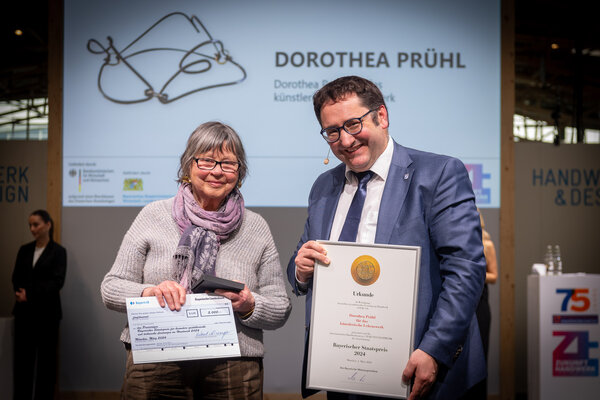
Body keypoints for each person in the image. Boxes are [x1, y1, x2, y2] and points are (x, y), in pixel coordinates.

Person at [287, 76, 486, 400]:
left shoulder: (437, 174)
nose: (345, 140)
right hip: (345, 374)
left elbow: (466, 270)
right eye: (332, 131)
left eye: (353, 124)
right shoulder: (324, 186)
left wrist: (434, 350)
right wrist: (300, 270)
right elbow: (298, 265)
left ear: (382, 116)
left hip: (424, 372)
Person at [101, 121, 291, 399]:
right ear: (188, 166)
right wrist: (150, 292)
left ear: (239, 173)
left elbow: (280, 308)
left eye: (228, 164)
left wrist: (249, 304)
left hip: (233, 362)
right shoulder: (153, 215)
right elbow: (111, 288)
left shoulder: (256, 226)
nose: (216, 171)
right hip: (157, 355)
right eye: (207, 161)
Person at [12, 209, 67, 400]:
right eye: (30, 225)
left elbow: (57, 282)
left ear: (48, 225)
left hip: (47, 316)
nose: (32, 229)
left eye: (36, 224)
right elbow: (16, 278)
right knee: (22, 363)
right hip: (24, 315)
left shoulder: (59, 252)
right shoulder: (24, 250)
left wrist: (30, 294)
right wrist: (21, 294)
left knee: (46, 364)